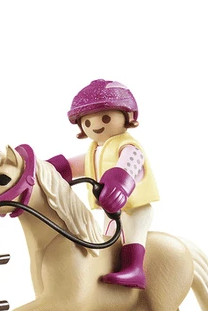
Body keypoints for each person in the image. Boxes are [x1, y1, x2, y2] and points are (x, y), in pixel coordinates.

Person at [66, 79, 159, 289]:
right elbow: (72, 166)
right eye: (87, 122)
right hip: (110, 209)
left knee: (132, 234)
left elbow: (129, 165)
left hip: (134, 208)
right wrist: (46, 169)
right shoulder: (95, 151)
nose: (95, 126)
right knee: (108, 239)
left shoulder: (128, 147)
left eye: (106, 118)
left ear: (127, 115)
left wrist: (119, 186)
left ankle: (135, 270)